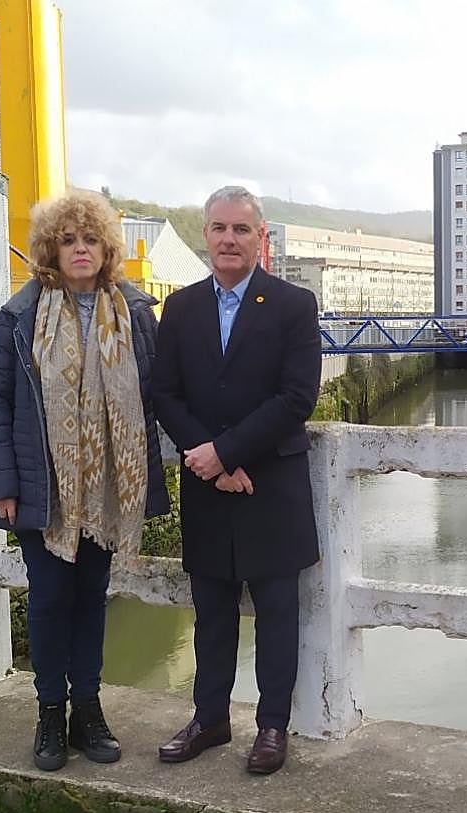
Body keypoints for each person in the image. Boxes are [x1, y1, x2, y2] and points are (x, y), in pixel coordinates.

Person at [0, 190, 170, 771]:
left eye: (90, 240)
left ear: (108, 248)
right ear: (49, 251)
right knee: (52, 600)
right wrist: (0, 483)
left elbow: (160, 392)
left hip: (107, 488)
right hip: (45, 489)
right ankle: (50, 715)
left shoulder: (135, 312)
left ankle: (89, 709)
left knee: (92, 599)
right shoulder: (20, 314)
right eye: (68, 240)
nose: (80, 250)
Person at [152, 185, 320, 775]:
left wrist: (224, 452)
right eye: (219, 228)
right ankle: (210, 718)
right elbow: (163, 392)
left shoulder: (295, 305)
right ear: (206, 236)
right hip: (208, 485)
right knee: (212, 612)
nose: (229, 239)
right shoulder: (180, 308)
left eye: (241, 230)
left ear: (260, 238)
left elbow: (297, 396)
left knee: (277, 612)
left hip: (270, 483)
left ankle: (272, 726)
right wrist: (209, 460)